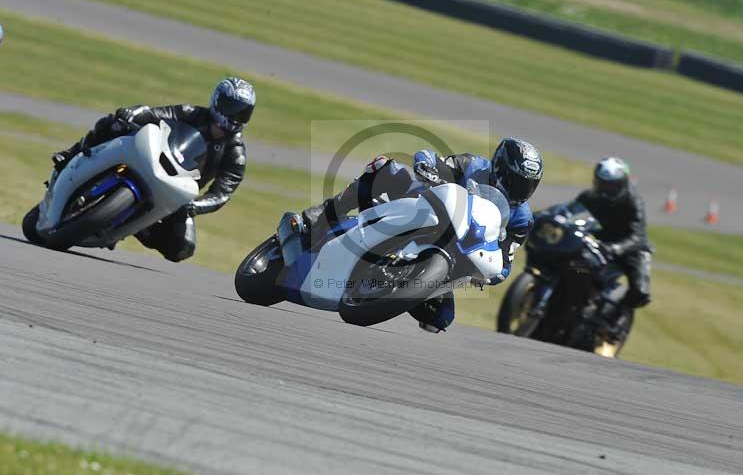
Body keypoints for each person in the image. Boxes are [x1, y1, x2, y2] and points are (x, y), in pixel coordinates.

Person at [302, 137, 543, 332]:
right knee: (386, 169)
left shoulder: (521, 219)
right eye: (516, 181)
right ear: (500, 167)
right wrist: (425, 166)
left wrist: (489, 275)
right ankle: (325, 214)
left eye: (528, 185)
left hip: (454, 255)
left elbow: (505, 262)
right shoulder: (473, 165)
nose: (521, 190)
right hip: (420, 209)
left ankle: (384, 285)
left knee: (439, 318)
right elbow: (433, 159)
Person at [52, 77, 256, 262]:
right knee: (115, 122)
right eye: (231, 106)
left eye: (243, 111)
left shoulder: (235, 154)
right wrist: (131, 115)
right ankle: (72, 153)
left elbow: (222, 194)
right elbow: (153, 114)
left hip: (177, 193)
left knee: (182, 248)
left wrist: (194, 205)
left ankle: (140, 226)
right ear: (217, 101)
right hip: (152, 160)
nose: (236, 115)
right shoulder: (190, 113)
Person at [574, 157, 652, 321]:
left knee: (641, 292)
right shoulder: (588, 197)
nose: (605, 190)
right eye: (602, 183)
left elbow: (637, 236)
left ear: (622, 184)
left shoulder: (633, 201)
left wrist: (615, 248)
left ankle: (616, 317)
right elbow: (570, 214)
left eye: (611, 186)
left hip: (630, 249)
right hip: (598, 243)